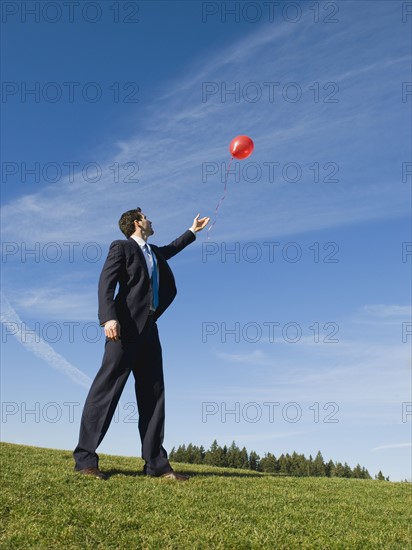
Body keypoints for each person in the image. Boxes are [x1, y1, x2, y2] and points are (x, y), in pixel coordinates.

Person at [73, 208, 210, 480]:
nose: (151, 219)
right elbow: (106, 283)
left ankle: (156, 465)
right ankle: (85, 459)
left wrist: (192, 231)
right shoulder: (122, 247)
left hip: (149, 328)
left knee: (153, 394)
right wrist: (108, 319)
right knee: (107, 390)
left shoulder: (154, 252)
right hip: (124, 329)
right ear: (137, 223)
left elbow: (172, 248)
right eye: (146, 216)